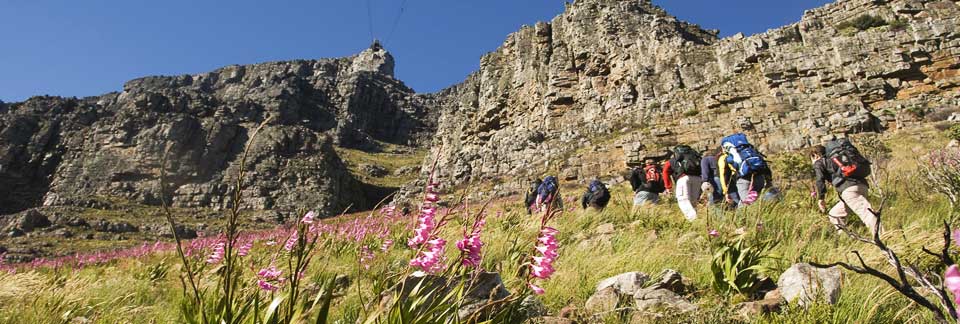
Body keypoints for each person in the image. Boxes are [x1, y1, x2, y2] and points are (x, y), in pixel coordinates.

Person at [811, 142, 879, 235]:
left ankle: (883, 238)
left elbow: (820, 180)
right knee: (834, 214)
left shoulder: (819, 162)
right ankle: (847, 239)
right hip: (862, 186)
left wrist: (821, 198)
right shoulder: (838, 159)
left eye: (812, 158)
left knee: (866, 214)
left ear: (815, 155)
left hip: (848, 190)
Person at [719, 133, 769, 208]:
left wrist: (726, 192)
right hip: (759, 177)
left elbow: (724, 175)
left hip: (743, 180)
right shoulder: (750, 151)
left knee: (747, 205)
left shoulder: (725, 157)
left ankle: (753, 218)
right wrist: (769, 180)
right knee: (760, 201)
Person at [664, 145, 703, 221]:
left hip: (683, 179)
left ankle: (694, 220)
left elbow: (665, 171)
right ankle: (695, 222)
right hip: (697, 178)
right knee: (693, 202)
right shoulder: (694, 158)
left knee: (683, 200)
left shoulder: (673, 160)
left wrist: (668, 187)